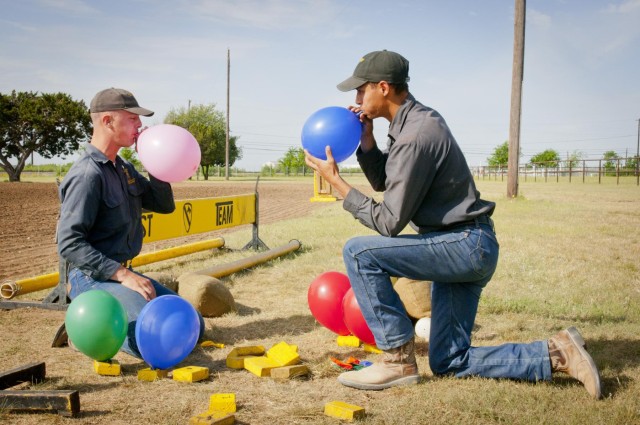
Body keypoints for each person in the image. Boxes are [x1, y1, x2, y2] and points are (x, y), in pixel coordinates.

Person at [304, 50, 602, 399]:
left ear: (382, 87)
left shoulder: (416, 134)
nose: (355, 100)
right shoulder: (413, 122)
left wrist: (338, 184)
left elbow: (389, 222)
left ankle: (397, 359)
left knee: (359, 253)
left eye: (359, 90)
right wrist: (367, 142)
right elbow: (388, 182)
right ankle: (557, 353)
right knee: (449, 360)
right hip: (462, 245)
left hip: (463, 245)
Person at [57, 87, 204, 359]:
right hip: (90, 277)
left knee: (194, 324)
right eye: (132, 118)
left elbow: (163, 205)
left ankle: (97, 322)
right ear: (107, 121)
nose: (140, 125)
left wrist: (156, 159)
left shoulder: (123, 168)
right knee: (150, 338)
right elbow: (69, 243)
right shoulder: (87, 175)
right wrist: (124, 276)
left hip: (120, 274)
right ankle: (84, 328)